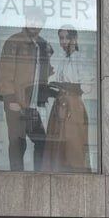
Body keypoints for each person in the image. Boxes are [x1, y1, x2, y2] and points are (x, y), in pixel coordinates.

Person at [0, 5, 53, 171]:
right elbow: (5, 73)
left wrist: (49, 58)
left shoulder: (42, 45)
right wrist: (10, 99)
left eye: (38, 20)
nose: (34, 23)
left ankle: (39, 175)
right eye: (31, 19)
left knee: (41, 140)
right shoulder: (14, 41)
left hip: (33, 105)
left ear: (42, 23)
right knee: (17, 143)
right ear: (26, 20)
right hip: (16, 103)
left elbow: (43, 74)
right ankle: (16, 176)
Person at [43, 26, 91, 173]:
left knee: (73, 143)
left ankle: (74, 169)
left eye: (66, 38)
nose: (63, 42)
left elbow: (87, 86)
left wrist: (63, 85)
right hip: (60, 104)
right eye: (61, 38)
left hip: (73, 105)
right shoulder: (63, 61)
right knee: (57, 143)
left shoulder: (80, 58)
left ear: (74, 39)